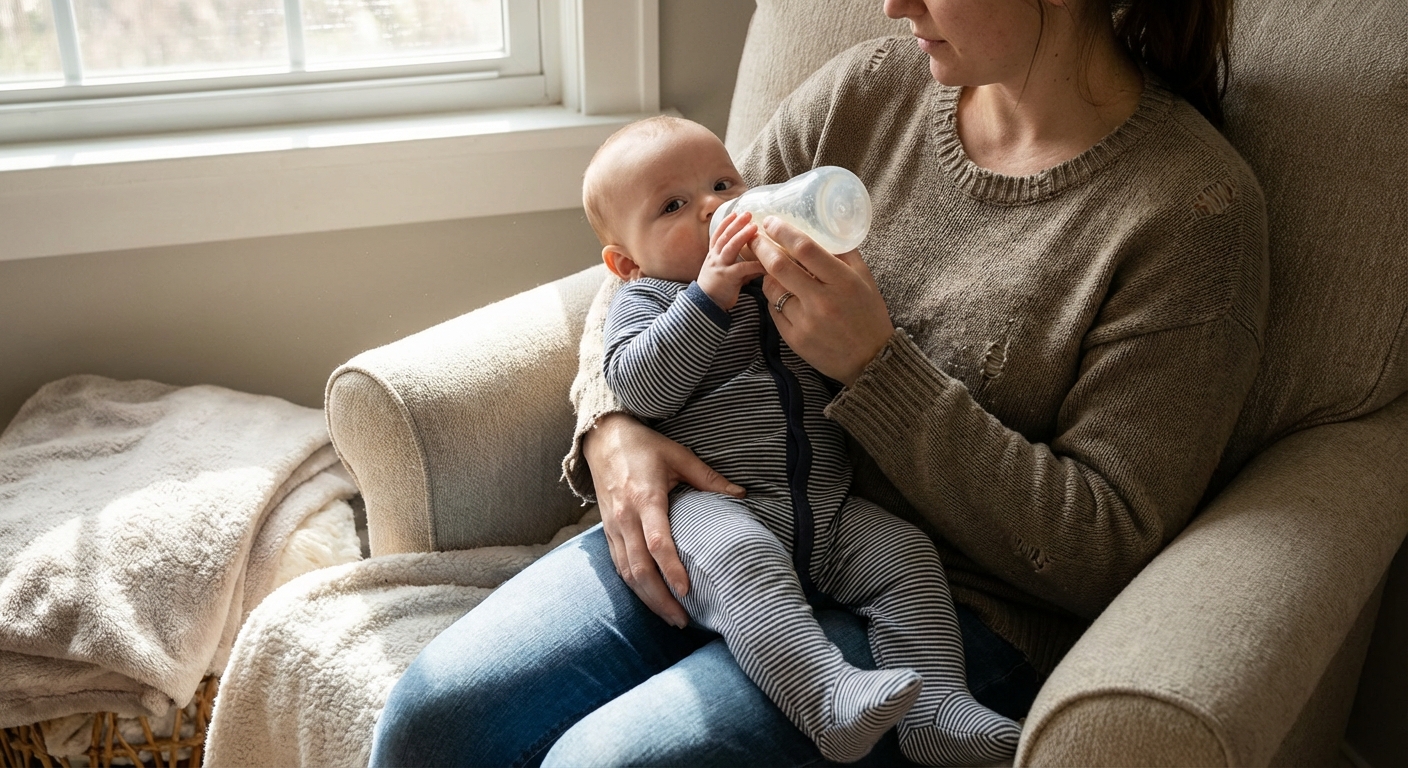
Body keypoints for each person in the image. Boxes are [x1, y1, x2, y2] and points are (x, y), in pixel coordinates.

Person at [369, 0, 1267, 765]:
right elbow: (658, 264)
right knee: (433, 719)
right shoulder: (867, 93)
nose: (892, 4)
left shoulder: (1188, 212)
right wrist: (612, 425)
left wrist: (879, 372)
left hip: (939, 601)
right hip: (722, 514)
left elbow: (1105, 544)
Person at [583, 114, 1022, 765]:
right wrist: (706, 299)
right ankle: (827, 699)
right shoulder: (648, 299)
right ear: (626, 261)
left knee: (905, 555)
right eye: (674, 205)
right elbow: (639, 387)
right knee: (742, 561)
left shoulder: (775, 273)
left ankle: (937, 710)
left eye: (723, 183)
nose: (715, 208)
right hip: (722, 506)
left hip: (828, 505)